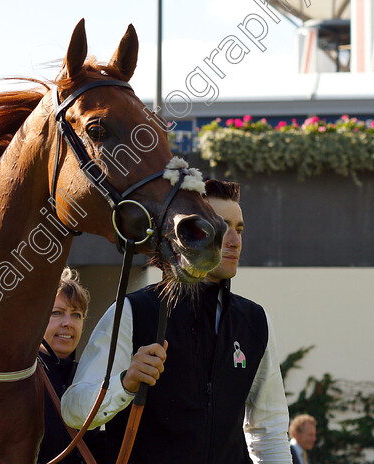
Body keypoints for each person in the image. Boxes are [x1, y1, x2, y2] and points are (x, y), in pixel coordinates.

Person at [61, 179, 292, 463]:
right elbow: (73, 410)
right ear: (189, 234)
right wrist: (126, 383)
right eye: (221, 226)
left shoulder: (255, 321)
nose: (234, 240)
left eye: (239, 229)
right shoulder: (134, 311)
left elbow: (270, 429)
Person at [37, 267, 105, 464]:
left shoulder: (89, 376)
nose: (68, 323)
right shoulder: (19, 376)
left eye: (76, 315)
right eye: (57, 313)